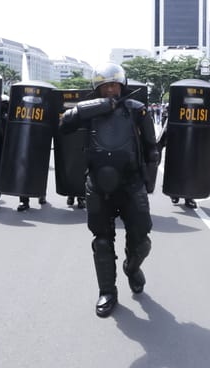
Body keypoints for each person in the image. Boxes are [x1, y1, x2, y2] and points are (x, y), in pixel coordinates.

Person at [59, 62, 159, 318]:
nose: (110, 89)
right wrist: (97, 107)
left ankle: (132, 267)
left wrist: (150, 181)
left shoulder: (137, 111)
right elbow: (64, 124)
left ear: (122, 84)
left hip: (131, 183)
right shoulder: (89, 112)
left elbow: (151, 149)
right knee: (102, 242)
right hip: (98, 185)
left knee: (142, 240)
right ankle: (107, 291)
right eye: (105, 86)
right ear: (98, 88)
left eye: (114, 84)